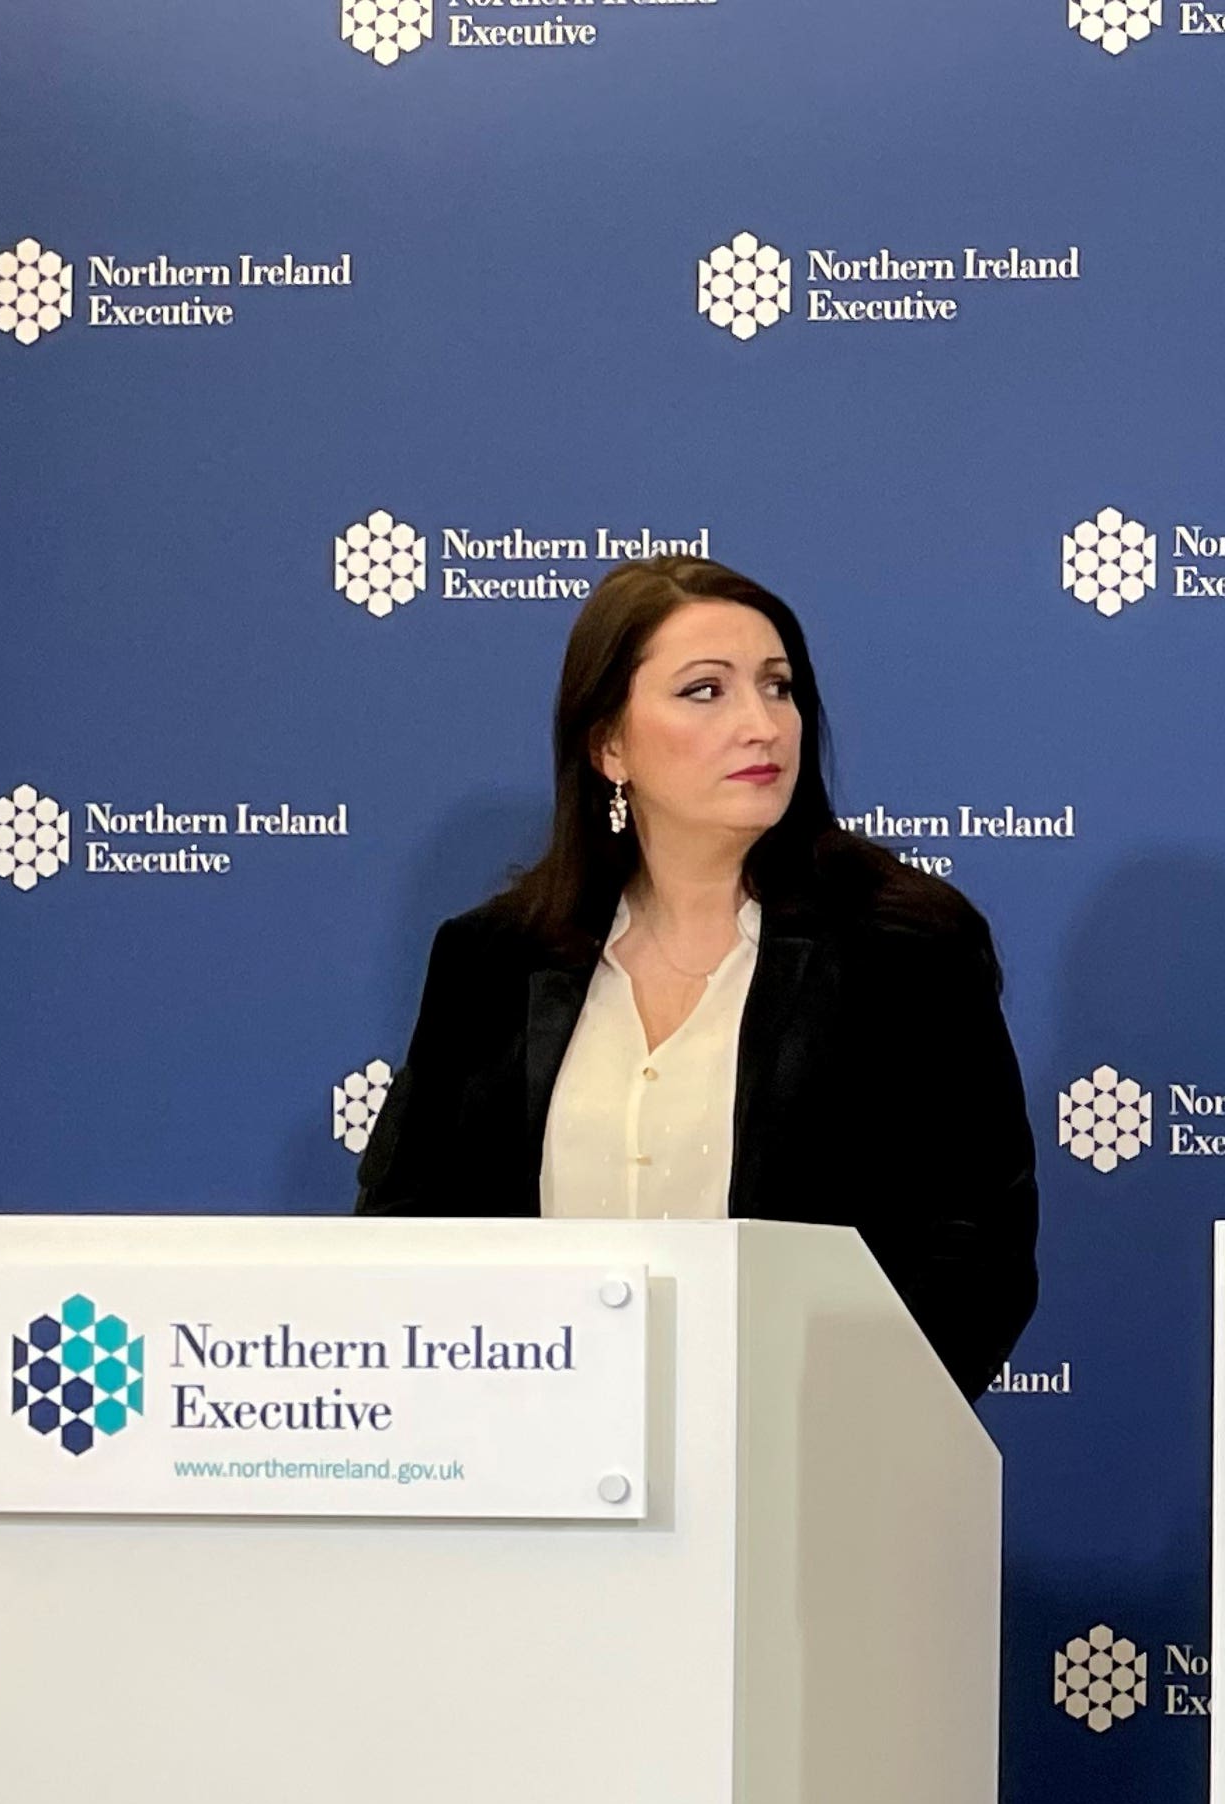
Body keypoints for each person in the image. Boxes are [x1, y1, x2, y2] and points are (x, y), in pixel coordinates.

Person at [357, 557, 1038, 1395]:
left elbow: (975, 1255)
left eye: (778, 687)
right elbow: (405, 1236)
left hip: (812, 1476)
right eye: (705, 691)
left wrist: (821, 1431)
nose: (763, 724)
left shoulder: (904, 949)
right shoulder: (494, 961)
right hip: (538, 1470)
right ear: (609, 742)